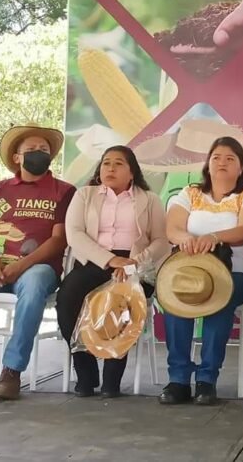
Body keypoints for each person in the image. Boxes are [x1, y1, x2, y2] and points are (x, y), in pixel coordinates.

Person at [159, 136, 243, 405]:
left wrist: (215, 237)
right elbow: (173, 228)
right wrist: (185, 238)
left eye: (230, 158)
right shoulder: (190, 193)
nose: (222, 163)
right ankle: (178, 379)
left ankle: (207, 379)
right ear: (207, 164)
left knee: (221, 297)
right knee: (176, 296)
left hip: (241, 271)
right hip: (193, 271)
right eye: (216, 157)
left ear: (241, 167)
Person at [56, 146, 170, 398]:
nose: (110, 168)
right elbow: (74, 234)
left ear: (132, 172)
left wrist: (133, 262)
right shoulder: (85, 195)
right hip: (94, 261)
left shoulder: (149, 199)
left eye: (118, 163)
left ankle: (112, 378)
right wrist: (110, 260)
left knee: (122, 303)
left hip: (134, 264)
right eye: (106, 163)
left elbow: (161, 241)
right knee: (67, 301)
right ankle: (85, 372)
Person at [0, 123, 75, 400]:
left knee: (35, 282)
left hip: (36, 269)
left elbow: (59, 240)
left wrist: (20, 266)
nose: (39, 153)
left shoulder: (64, 191)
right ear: (17, 157)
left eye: (44, 149)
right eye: (32, 149)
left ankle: (11, 370)